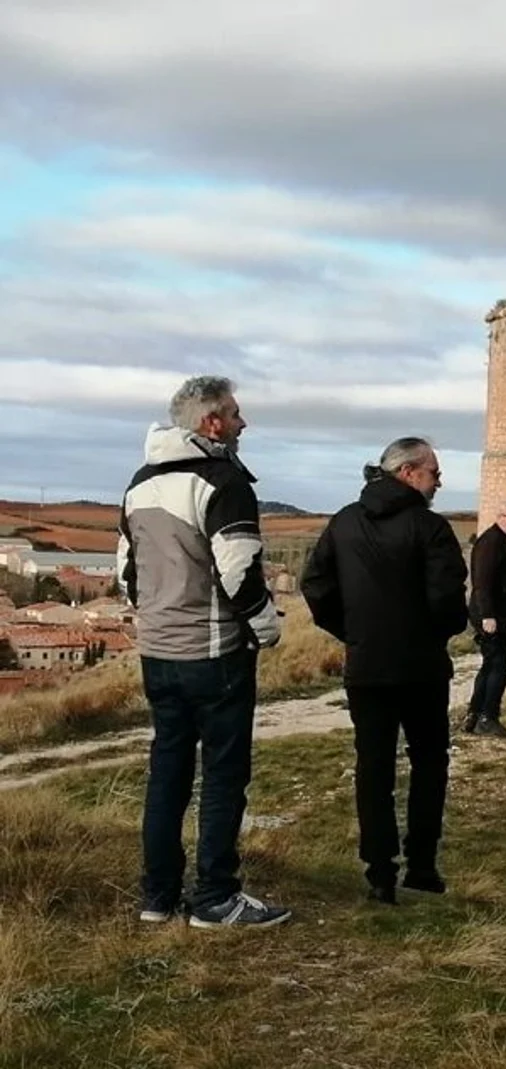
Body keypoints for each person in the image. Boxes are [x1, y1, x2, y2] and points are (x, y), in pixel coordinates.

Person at [118, 375, 290, 928]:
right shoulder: (224, 481)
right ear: (211, 423)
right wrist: (266, 628)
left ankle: (158, 897)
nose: (244, 424)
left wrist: (157, 619)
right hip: (215, 655)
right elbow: (239, 572)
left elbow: (127, 573)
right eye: (236, 414)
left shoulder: (139, 484)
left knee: (166, 772)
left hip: (158, 652)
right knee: (221, 775)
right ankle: (215, 898)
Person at [301, 437, 469, 905]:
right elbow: (448, 601)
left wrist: (352, 632)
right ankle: (421, 865)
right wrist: (438, 632)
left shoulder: (344, 522)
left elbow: (315, 585)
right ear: (409, 472)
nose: (439, 482)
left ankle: (379, 873)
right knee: (429, 764)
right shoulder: (431, 528)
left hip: (367, 665)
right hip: (422, 668)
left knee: (373, 768)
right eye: (435, 473)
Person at [464, 500, 506, 738]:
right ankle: (488, 718)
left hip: (498, 615)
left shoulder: (502, 541)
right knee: (501, 663)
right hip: (491, 616)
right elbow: (482, 582)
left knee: (492, 663)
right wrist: (488, 615)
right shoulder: (491, 542)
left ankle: (475, 714)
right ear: (500, 517)